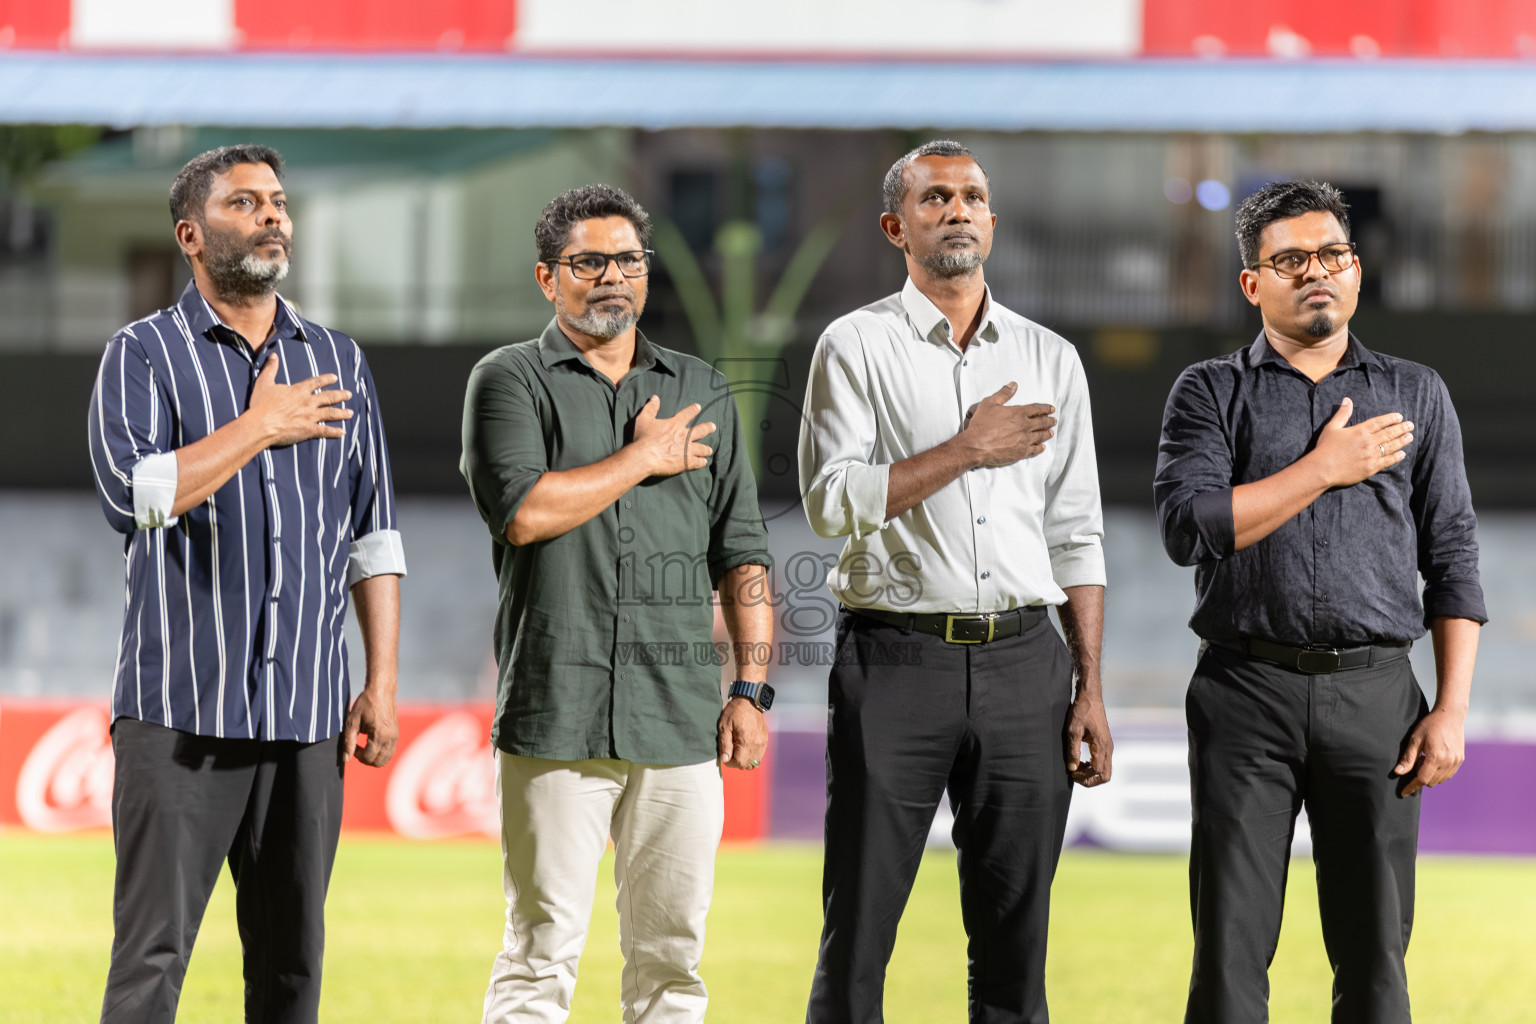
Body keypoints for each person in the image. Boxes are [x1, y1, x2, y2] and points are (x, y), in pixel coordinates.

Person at [87, 144, 406, 1023]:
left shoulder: (339, 360)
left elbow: (372, 536)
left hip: (307, 719)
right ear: (192, 234)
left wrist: (377, 681)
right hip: (179, 716)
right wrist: (260, 426)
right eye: (244, 203)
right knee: (151, 965)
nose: (272, 215)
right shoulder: (143, 354)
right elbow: (137, 496)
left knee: (292, 970)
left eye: (278, 201)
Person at [797, 139, 1114, 1024]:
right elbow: (828, 503)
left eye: (973, 196)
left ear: (993, 221)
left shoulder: (1052, 358)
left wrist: (1089, 688)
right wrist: (967, 448)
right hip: (895, 663)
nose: (959, 210)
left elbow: (1077, 534)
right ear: (899, 226)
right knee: (857, 936)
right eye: (936, 198)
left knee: (1017, 950)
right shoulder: (854, 344)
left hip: (1028, 667)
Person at [1154, 179, 1485, 1023]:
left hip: (1378, 696)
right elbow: (1191, 528)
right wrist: (1323, 469)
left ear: (1358, 270)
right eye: (1291, 259)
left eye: (1331, 255)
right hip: (1243, 693)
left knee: (1376, 959)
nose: (1316, 273)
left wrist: (1450, 711)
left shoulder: (1417, 393)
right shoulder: (1208, 390)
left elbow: (1452, 558)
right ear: (1251, 283)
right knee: (1229, 957)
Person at [460, 184, 774, 1024]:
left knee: (673, 964)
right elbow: (525, 514)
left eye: (627, 260)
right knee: (538, 957)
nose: (611, 278)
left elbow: (742, 554)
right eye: (588, 261)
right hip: (554, 714)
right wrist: (643, 459)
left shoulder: (701, 387)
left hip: (679, 722)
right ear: (546, 276)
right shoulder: (508, 380)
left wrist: (749, 690)